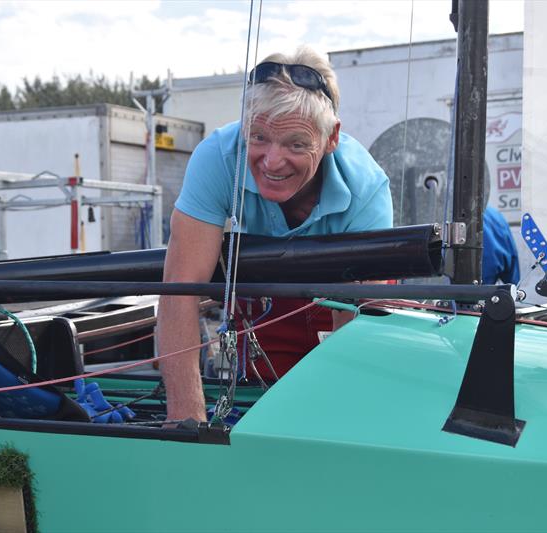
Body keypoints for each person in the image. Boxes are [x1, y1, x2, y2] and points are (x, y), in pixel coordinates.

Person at [157, 46, 393, 423]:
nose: (271, 161)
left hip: (340, 308)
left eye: (296, 144)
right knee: (254, 403)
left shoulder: (366, 189)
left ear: (331, 138)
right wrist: (186, 423)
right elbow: (178, 291)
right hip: (266, 309)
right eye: (259, 137)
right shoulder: (218, 157)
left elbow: (359, 328)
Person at [482, 205, 520, 285]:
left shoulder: (451, 211)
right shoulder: (494, 214)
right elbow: (512, 255)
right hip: (487, 290)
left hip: (456, 288)